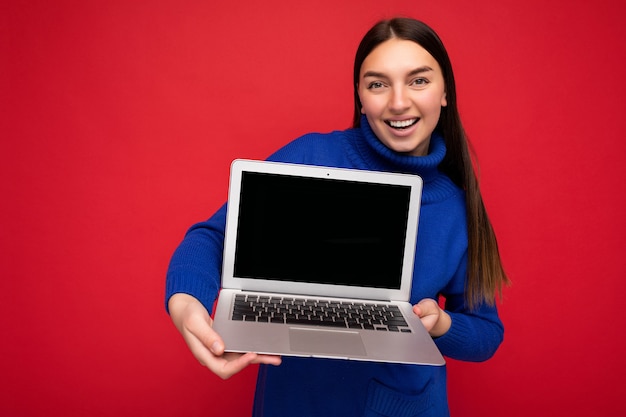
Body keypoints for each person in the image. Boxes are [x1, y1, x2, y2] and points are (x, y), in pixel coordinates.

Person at [166, 17, 509, 416]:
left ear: (445, 91)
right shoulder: (311, 157)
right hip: (294, 405)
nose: (398, 102)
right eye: (377, 84)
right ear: (360, 97)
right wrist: (186, 302)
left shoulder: (456, 207)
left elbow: (487, 333)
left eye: (418, 80)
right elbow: (213, 238)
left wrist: (439, 325)